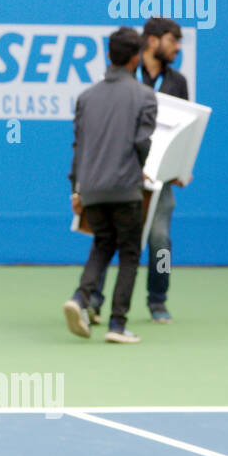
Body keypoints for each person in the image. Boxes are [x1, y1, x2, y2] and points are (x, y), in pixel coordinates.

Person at [87, 16, 189, 324]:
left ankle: (158, 300)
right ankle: (93, 299)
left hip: (162, 177)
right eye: (173, 40)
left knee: (161, 241)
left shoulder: (178, 82)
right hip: (124, 172)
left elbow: (185, 128)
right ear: (153, 41)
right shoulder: (125, 78)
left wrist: (181, 165)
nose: (178, 48)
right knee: (108, 238)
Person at [64, 26, 156, 345]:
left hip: (90, 190)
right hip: (126, 188)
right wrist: (142, 170)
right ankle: (117, 324)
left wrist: (76, 189)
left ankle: (80, 296)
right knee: (129, 253)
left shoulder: (86, 97)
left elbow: (79, 146)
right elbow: (143, 143)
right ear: (136, 57)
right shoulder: (145, 95)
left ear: (108, 56)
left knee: (103, 244)